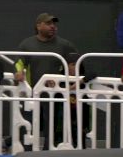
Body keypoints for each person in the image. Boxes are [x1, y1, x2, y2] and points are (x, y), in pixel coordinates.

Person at [15, 13, 78, 149]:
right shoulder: (27, 44)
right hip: (32, 94)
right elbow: (20, 63)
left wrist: (70, 79)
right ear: (38, 26)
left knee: (52, 127)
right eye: (49, 24)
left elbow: (73, 66)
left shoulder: (65, 45)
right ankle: (27, 155)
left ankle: (48, 153)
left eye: (54, 24)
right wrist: (19, 72)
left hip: (55, 95)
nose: (53, 26)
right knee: (30, 125)